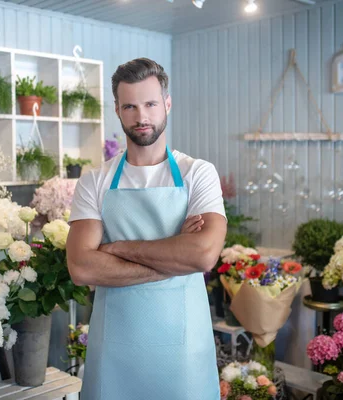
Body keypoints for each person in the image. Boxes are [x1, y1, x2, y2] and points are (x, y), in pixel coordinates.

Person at [66, 58, 227, 399]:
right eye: (130, 106)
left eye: (151, 104)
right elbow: (81, 267)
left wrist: (118, 248)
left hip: (184, 354)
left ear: (167, 103)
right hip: (114, 353)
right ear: (118, 110)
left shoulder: (199, 173)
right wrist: (173, 256)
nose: (142, 117)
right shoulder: (95, 180)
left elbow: (202, 254)